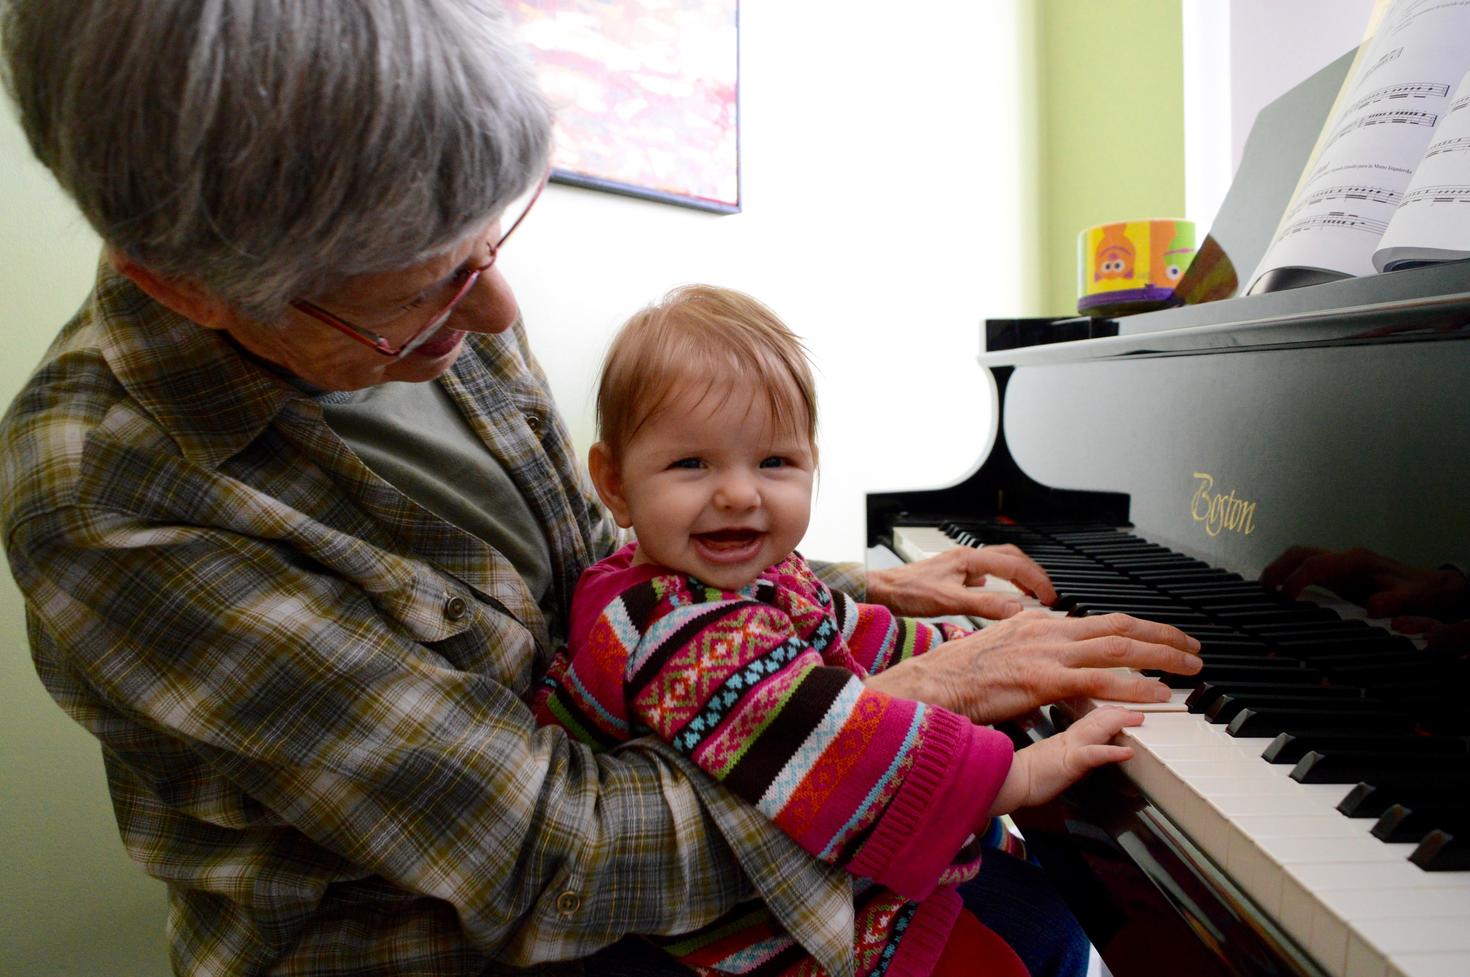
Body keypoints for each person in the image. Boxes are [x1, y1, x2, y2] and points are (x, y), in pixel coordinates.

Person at [0, 3, 1202, 975]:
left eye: (489, 241)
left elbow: (602, 572)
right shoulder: (108, 489)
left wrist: (851, 587)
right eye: (423, 290)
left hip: (643, 828)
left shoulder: (440, 295)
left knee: (1039, 908)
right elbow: (548, 854)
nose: (495, 317)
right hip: (466, 936)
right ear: (187, 287)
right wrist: (904, 721)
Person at [534, 285, 1146, 977]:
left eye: (774, 462)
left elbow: (851, 629)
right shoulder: (679, 629)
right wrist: (1026, 769)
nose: (740, 492)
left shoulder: (748, 578)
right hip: (746, 915)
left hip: (793, 836)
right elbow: (838, 749)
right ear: (613, 482)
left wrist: (970, 645)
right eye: (691, 463)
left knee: (1025, 904)